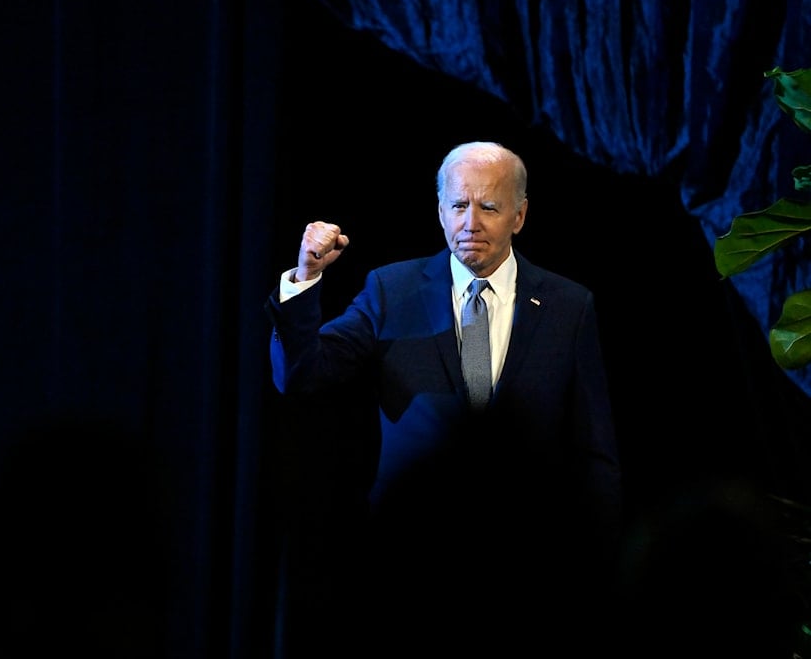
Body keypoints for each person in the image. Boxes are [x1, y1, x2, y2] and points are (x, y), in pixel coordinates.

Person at [265, 141, 623, 656]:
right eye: (458, 206)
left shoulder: (570, 306)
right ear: (439, 210)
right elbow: (302, 374)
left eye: (490, 206)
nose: (471, 222)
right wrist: (305, 279)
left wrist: (599, 571)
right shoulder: (393, 290)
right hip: (412, 569)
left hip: (535, 576)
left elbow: (597, 456)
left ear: (519, 216)